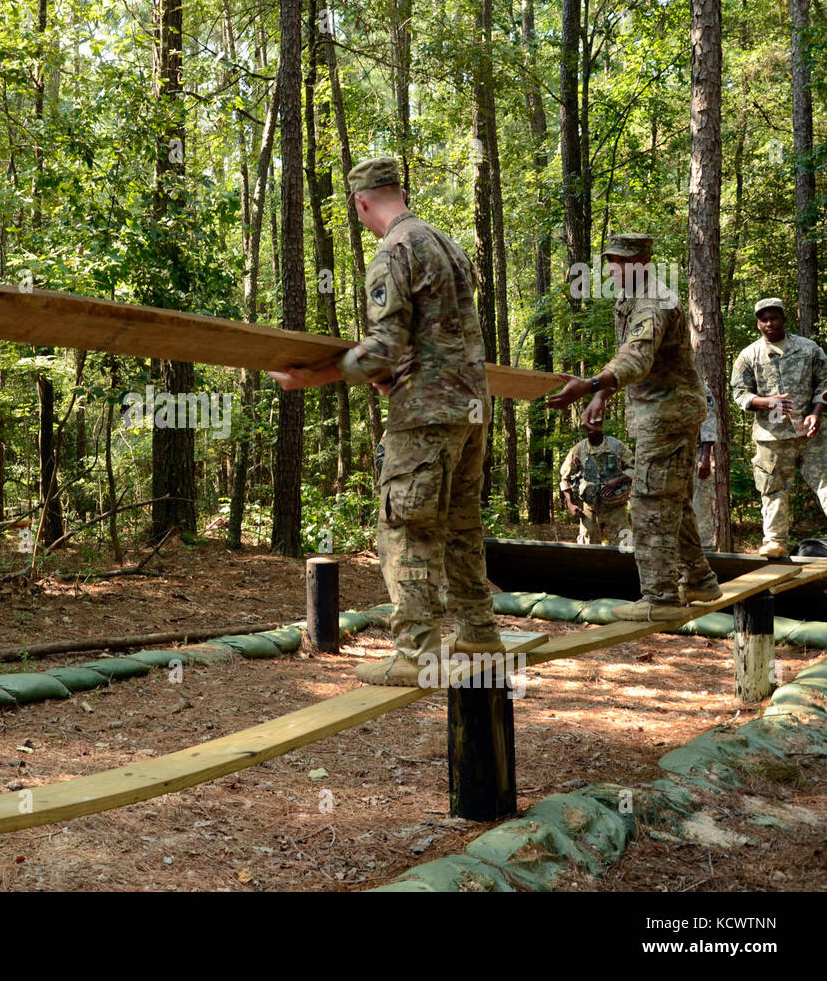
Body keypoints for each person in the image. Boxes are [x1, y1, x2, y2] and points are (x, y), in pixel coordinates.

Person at [271, 157, 499, 686]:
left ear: (361, 202)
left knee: (407, 530)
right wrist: (393, 376)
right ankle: (478, 632)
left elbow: (383, 345)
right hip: (469, 410)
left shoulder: (394, 250)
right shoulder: (446, 243)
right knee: (462, 524)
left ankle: (417, 656)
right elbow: (436, 337)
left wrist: (317, 375)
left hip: (424, 417)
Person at [547, 233, 720, 621]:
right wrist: (601, 394)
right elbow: (628, 358)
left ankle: (659, 599)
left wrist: (591, 385)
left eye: (623, 261)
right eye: (610, 261)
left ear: (644, 260)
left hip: (669, 416)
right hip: (660, 414)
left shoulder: (654, 301)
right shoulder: (631, 299)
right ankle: (698, 578)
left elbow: (638, 358)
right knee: (671, 499)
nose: (614, 269)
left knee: (648, 503)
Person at [730, 297, 827, 558]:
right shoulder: (749, 355)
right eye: (763, 319)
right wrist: (765, 401)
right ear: (758, 324)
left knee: (826, 483)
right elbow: (739, 393)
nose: (769, 323)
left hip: (811, 433)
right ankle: (775, 542)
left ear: (784, 318)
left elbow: (824, 384)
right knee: (772, 490)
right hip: (771, 437)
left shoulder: (809, 349)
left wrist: (816, 413)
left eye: (774, 317)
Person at [559, 424, 633, 545]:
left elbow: (635, 469)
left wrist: (617, 481)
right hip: (589, 508)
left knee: (625, 547)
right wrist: (570, 503)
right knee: (588, 548)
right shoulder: (578, 449)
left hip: (616, 508)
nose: (591, 430)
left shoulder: (617, 446)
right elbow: (564, 478)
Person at [693, 385, 718, 552]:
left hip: (694, 453)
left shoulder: (697, 384)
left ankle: (705, 551)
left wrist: (705, 456)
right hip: (663, 455)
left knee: (700, 505)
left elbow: (708, 419)